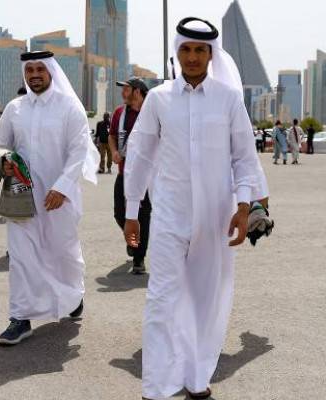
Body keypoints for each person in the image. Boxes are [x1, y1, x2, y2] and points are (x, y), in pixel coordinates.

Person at [122, 18, 267, 400]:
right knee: (162, 296)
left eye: (199, 50)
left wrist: (243, 206)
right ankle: (155, 386)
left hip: (217, 216)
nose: (192, 57)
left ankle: (196, 376)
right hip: (169, 214)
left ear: (211, 54)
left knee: (206, 296)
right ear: (177, 51)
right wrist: (132, 210)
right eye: (186, 49)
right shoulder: (158, 98)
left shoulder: (228, 99)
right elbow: (139, 155)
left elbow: (244, 158)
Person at [0, 51, 99, 345]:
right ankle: (20, 317)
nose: (35, 74)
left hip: (59, 198)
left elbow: (79, 151)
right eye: (30, 70)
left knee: (62, 252)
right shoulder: (14, 108)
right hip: (21, 195)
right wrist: (4, 160)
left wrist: (62, 187)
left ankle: (72, 294)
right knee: (21, 257)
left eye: (40, 69)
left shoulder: (69, 108)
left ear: (51, 72)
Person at [110, 77, 152, 274]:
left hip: (147, 177)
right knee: (120, 213)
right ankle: (131, 238)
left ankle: (138, 258)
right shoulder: (119, 113)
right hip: (123, 173)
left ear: (137, 91)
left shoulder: (152, 113)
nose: (122, 93)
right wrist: (113, 152)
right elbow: (111, 136)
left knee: (143, 217)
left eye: (126, 89)